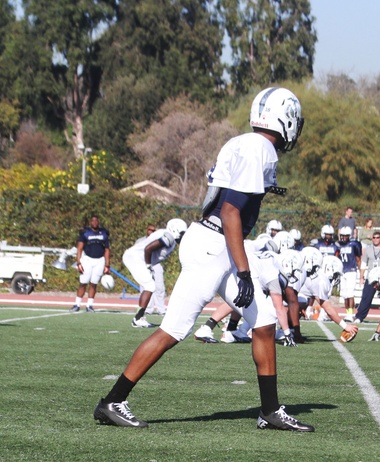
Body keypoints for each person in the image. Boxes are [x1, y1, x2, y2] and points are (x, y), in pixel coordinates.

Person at [94, 87, 314, 431]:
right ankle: (112, 401)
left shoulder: (245, 143)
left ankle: (270, 410)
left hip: (219, 243)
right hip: (216, 245)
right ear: (284, 118)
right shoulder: (261, 149)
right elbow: (230, 211)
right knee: (173, 330)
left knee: (266, 319)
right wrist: (243, 271)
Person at [124, 218, 187, 327]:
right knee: (150, 286)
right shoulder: (168, 237)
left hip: (139, 259)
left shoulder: (168, 237)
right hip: (135, 258)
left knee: (150, 286)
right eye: (181, 233)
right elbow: (148, 249)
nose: (182, 236)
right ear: (174, 230)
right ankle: (138, 318)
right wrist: (149, 266)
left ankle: (139, 317)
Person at [72, 216, 111, 312]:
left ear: (99, 221)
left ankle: (89, 305)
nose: (94, 222)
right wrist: (78, 262)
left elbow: (107, 250)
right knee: (83, 282)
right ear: (90, 222)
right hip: (87, 259)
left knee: (94, 283)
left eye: (96, 220)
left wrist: (107, 265)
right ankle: (77, 304)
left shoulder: (104, 233)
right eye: (92, 220)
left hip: (99, 260)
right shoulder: (85, 233)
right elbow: (80, 248)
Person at [336, 226, 362, 321]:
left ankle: (351, 314)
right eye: (342, 235)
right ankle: (348, 313)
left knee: (350, 294)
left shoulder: (354, 244)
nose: (343, 237)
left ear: (349, 236)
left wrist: (361, 272)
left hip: (351, 271)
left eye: (345, 236)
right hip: (342, 272)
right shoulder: (339, 245)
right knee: (344, 294)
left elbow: (358, 259)